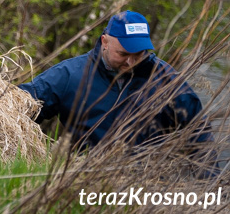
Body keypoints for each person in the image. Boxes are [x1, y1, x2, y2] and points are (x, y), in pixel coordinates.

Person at [19, 11, 214, 156]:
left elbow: (200, 136)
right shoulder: (69, 75)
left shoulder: (167, 82)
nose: (130, 62)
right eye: (123, 54)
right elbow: (19, 106)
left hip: (146, 188)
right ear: (105, 41)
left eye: (138, 54)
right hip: (81, 182)